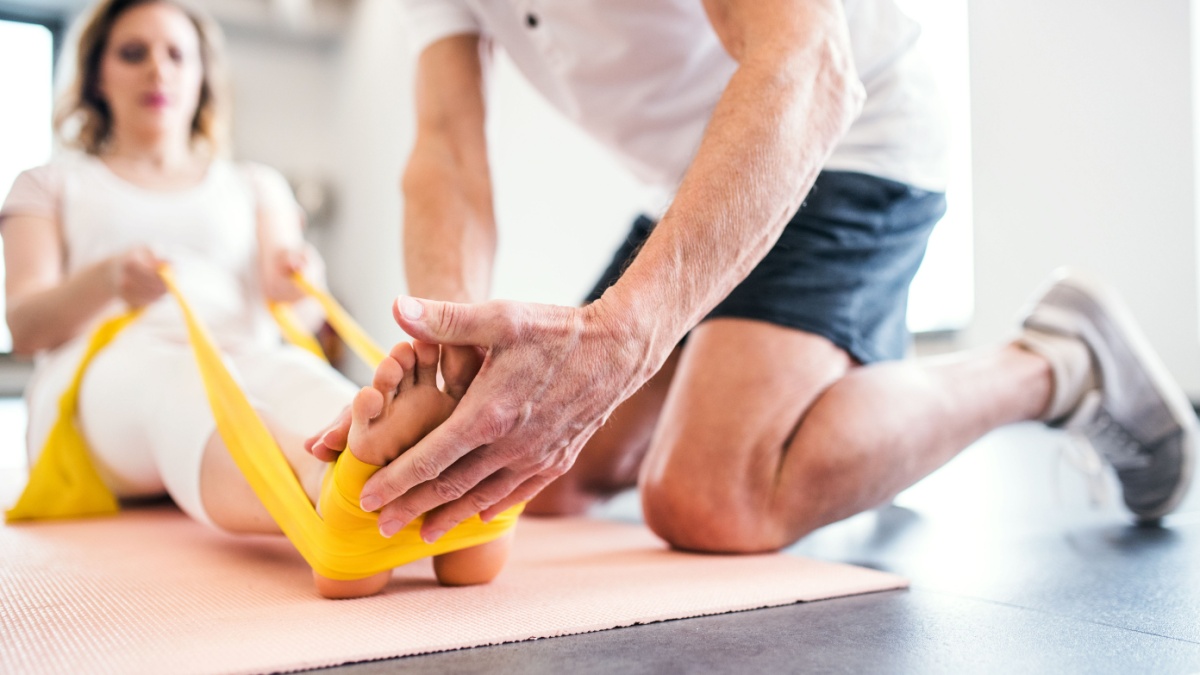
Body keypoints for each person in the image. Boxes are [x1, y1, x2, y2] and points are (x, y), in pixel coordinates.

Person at [309, 0, 1195, 551]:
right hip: (696, 179)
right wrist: (446, 364)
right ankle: (838, 405)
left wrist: (624, 336)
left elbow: (806, 64)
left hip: (850, 137)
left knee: (713, 499)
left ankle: (1057, 358)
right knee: (543, 476)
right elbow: (448, 151)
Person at [1, 0, 509, 598]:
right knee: (187, 389)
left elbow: (296, 311)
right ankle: (332, 494)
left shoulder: (253, 185)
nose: (157, 72)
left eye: (176, 55)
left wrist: (296, 279)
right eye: (133, 54)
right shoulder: (50, 183)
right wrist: (106, 280)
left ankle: (426, 482)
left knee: (310, 381)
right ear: (95, 76)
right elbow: (24, 325)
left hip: (245, 348)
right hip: (106, 373)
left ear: (202, 76)